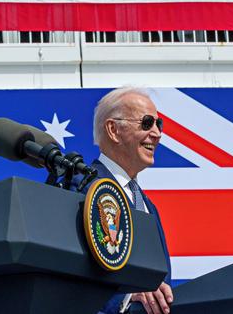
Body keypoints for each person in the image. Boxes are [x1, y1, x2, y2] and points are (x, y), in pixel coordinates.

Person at [75, 87, 173, 314]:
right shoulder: (80, 189)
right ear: (113, 130)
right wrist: (126, 299)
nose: (157, 133)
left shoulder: (149, 207)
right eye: (147, 123)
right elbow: (70, 278)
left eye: (159, 124)